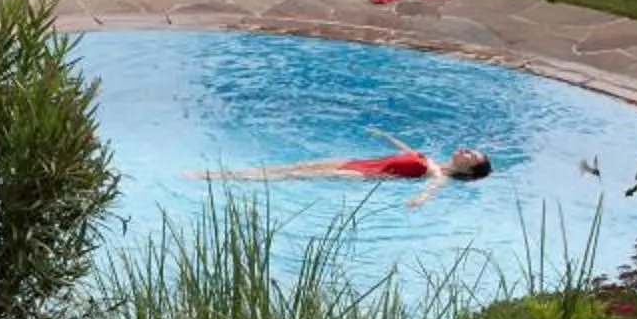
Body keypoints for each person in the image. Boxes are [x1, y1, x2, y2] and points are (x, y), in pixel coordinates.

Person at [193, 134, 493, 209]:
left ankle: (213, 177)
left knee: (291, 175)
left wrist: (417, 202)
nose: (466, 151)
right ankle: (224, 173)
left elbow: (428, 192)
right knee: (295, 167)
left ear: (470, 170)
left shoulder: (440, 176)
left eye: (472, 155)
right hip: (359, 162)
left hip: (362, 174)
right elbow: (407, 151)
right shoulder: (435, 163)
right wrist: (389, 138)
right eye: (469, 149)